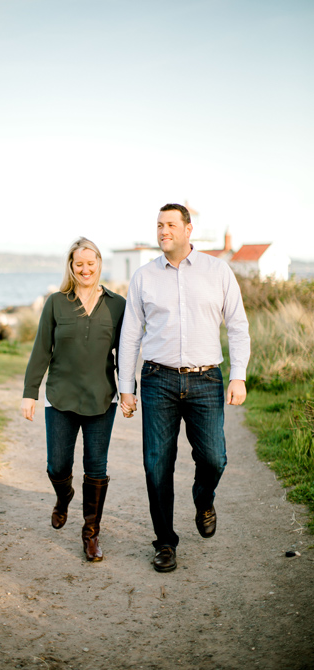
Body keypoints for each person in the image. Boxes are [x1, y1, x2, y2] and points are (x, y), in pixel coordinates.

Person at [119, 203, 250, 573]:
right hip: (157, 379)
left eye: (171, 225)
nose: (163, 231)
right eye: (159, 225)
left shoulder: (217, 270)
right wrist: (126, 387)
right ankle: (164, 542)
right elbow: (131, 335)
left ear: (188, 229)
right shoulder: (144, 277)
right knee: (156, 464)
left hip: (206, 379)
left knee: (214, 458)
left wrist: (238, 374)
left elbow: (237, 326)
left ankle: (203, 499)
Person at [21, 237, 126, 562]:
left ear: (99, 264)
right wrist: (30, 394)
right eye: (79, 264)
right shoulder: (56, 302)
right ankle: (63, 496)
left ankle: (90, 534)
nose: (85, 269)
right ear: (71, 266)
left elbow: (125, 352)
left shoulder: (117, 304)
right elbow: (41, 350)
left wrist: (128, 391)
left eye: (90, 263)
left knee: (96, 467)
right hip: (61, 398)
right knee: (57, 466)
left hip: (100, 399)